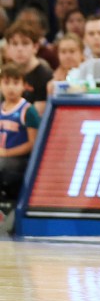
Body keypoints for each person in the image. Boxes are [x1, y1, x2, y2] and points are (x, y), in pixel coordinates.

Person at [0, 64, 40, 202]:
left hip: (20, 160)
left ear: (24, 85)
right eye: (6, 83)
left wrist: (6, 153)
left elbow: (33, 144)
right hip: (3, 157)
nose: (11, 87)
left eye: (16, 83)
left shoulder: (28, 111)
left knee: (3, 165)